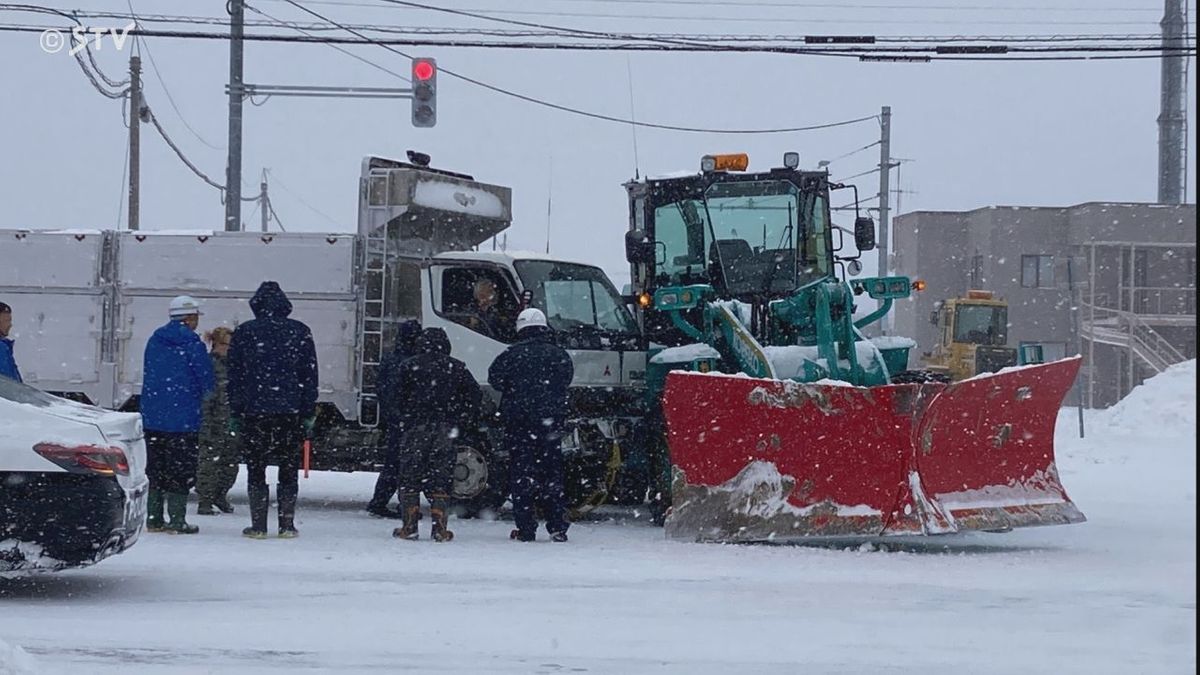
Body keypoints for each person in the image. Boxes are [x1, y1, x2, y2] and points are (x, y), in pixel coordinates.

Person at [227, 281, 319, 540]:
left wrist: (236, 411)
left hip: (254, 411)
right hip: (290, 411)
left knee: (256, 467)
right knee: (288, 467)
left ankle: (258, 525)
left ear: (256, 305)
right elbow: (310, 375)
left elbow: (235, 377)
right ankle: (287, 525)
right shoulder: (300, 332)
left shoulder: (244, 332)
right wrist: (308, 411)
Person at [488, 308, 574, 543]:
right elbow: (566, 379)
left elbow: (494, 379)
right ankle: (557, 527)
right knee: (552, 475)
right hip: (550, 425)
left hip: (519, 425)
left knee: (521, 475)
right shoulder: (559, 354)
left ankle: (526, 529)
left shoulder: (511, 354)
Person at [391, 327, 481, 542]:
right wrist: (461, 418)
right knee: (441, 477)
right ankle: (439, 528)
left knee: (410, 476)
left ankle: (409, 526)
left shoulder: (408, 366)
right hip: (445, 429)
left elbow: (394, 397)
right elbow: (475, 395)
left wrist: (403, 418)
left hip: (415, 428)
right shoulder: (456, 367)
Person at [140, 295, 216, 534]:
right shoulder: (192, 344)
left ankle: (153, 518)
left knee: (155, 468)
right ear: (190, 317)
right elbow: (206, 378)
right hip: (183, 419)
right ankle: (176, 519)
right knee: (180, 469)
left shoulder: (155, 339)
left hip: (153, 416)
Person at [366, 319, 423, 519]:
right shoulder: (414, 361)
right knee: (407, 465)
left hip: (395, 419)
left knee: (394, 463)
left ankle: (380, 501)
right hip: (409, 419)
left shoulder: (391, 359)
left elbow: (384, 389)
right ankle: (401, 505)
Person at [195, 326, 240, 516]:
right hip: (213, 422)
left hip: (228, 421)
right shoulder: (209, 366)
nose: (229, 349)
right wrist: (206, 423)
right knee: (209, 463)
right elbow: (206, 397)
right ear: (216, 344)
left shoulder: (233, 366)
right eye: (226, 345)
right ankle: (205, 500)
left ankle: (220, 495)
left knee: (230, 463)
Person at [0, 302, 21, 383]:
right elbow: (8, 382)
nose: (10, 325)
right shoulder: (1, 348)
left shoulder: (5, 346)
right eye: (6, 321)